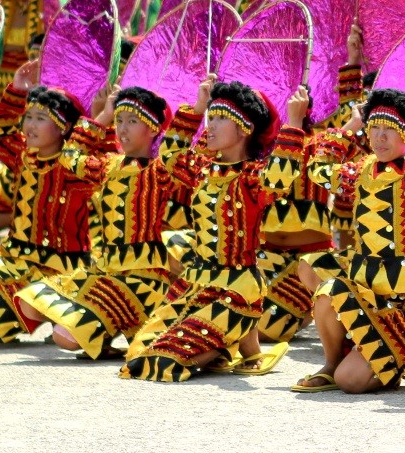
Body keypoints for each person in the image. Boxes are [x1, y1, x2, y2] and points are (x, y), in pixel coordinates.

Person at [121, 77, 307, 382]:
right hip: (193, 285)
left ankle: (226, 339)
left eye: (221, 118)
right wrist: (196, 108)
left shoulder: (252, 178)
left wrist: (295, 121)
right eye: (212, 117)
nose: (211, 125)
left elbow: (280, 177)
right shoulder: (202, 170)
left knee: (165, 359)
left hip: (234, 290)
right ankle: (224, 345)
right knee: (138, 354)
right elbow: (168, 157)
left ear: (244, 127)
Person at [293, 89, 405, 394]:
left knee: (351, 382)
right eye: (374, 129)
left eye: (390, 130)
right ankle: (333, 362)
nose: (380, 138)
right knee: (323, 283)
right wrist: (351, 126)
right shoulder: (360, 172)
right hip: (370, 291)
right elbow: (318, 170)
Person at [13, 86, 180, 359]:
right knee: (31, 304)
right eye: (120, 120)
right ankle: (105, 331)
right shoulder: (110, 165)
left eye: (133, 121)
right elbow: (70, 158)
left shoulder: (160, 171)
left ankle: (116, 325)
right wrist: (103, 115)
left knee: (64, 337)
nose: (123, 129)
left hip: (143, 279)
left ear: (153, 129)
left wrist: (197, 110)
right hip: (106, 271)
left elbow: (180, 155)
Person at [0, 61, 97, 343]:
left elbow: (105, 155)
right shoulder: (22, 156)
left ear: (63, 128)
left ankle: (56, 313)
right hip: (19, 262)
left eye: (41, 118)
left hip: (62, 269)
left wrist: (101, 116)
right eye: (29, 117)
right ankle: (30, 312)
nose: (30, 125)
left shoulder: (76, 166)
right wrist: (16, 91)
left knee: (4, 318)